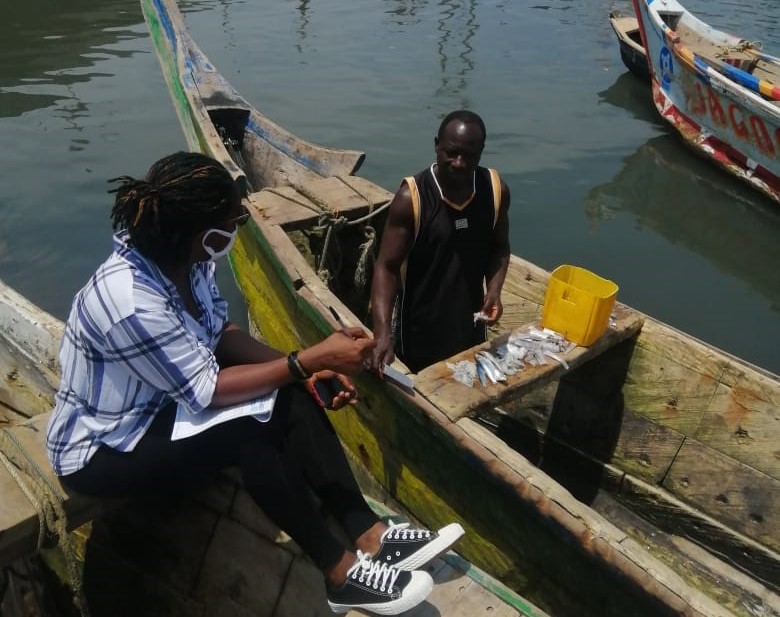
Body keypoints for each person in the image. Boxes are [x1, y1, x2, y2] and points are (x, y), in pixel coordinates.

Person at [45, 152, 464, 616]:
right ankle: (340, 573)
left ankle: (369, 533)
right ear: (204, 232)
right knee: (248, 432)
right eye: (234, 220)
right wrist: (310, 358)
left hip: (159, 408)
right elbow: (207, 389)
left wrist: (310, 371)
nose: (239, 224)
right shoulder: (130, 300)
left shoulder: (187, 258)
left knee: (292, 391)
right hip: (104, 448)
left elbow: (220, 334)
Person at [370, 110, 511, 373]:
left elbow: (499, 247)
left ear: (481, 152)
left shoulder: (495, 190)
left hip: (470, 324)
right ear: (436, 145)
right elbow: (386, 267)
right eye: (451, 152)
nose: (459, 162)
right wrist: (382, 333)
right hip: (419, 328)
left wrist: (494, 291)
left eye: (469, 156)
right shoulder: (411, 198)